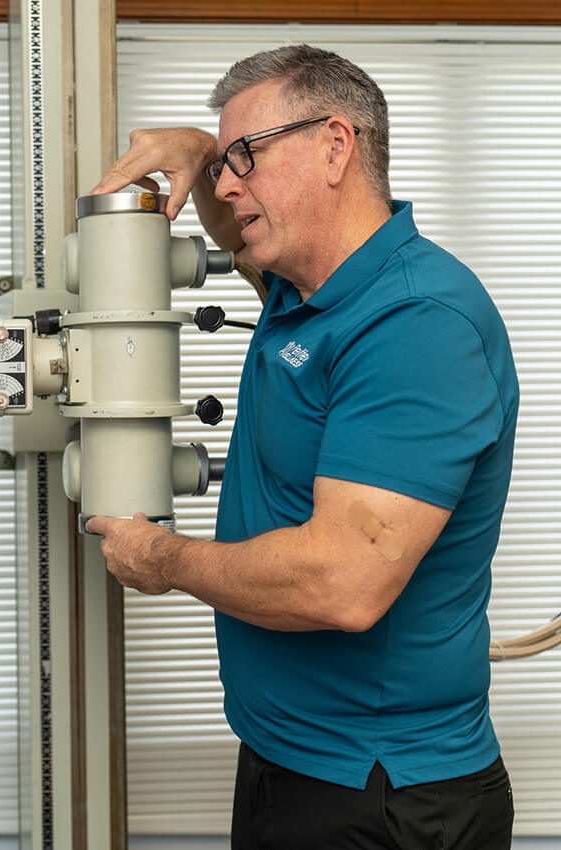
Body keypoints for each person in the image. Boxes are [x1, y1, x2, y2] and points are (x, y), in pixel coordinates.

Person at [88, 45, 517, 848]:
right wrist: (197, 146)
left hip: (382, 793)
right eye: (224, 162)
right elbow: (235, 222)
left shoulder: (418, 325)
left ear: (335, 145)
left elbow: (342, 585)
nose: (223, 183)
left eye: (245, 155)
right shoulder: (303, 293)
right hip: (289, 763)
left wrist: (165, 559)